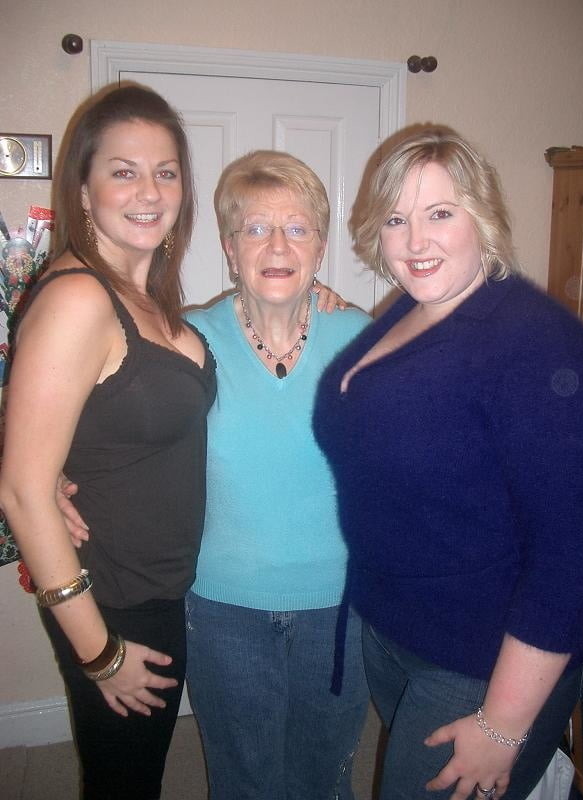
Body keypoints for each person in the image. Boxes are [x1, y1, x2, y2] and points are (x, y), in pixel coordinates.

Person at [313, 125, 583, 800]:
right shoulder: (414, 308)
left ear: (483, 216)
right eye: (396, 219)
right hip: (396, 630)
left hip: (482, 662)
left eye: (440, 213)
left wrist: (504, 724)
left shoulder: (536, 344)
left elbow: (572, 552)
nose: (416, 241)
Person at [0, 84, 217, 799]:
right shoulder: (78, 298)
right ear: (83, 191)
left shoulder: (143, 296)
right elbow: (23, 491)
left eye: (166, 172)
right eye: (123, 171)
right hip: (114, 602)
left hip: (157, 587)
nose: (149, 191)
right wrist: (100, 654)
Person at [182, 150, 370, 799]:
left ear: (320, 247)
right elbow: (124, 429)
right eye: (256, 228)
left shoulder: (360, 336)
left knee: (326, 776)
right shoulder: (188, 339)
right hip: (224, 607)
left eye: (297, 228)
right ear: (230, 248)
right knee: (244, 781)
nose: (278, 246)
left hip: (340, 607)